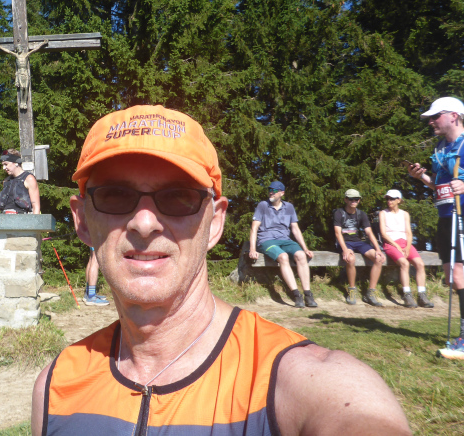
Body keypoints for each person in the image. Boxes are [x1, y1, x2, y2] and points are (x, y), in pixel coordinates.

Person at [32, 105, 410, 435]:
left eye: (178, 196)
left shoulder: (302, 380)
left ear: (215, 224)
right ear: (82, 220)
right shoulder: (55, 386)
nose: (144, 224)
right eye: (115, 195)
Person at [408, 96, 464, 351]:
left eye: (435, 116)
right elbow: (439, 186)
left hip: (462, 215)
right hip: (446, 217)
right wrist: (422, 178)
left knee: (459, 274)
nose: (431, 121)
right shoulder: (440, 148)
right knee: (452, 276)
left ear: (454, 115)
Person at [248, 181, 317, 308]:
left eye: (274, 190)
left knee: (301, 255)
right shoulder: (263, 205)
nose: (271, 192)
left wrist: (305, 248)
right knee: (283, 257)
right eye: (270, 190)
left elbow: (295, 229)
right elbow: (254, 228)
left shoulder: (289, 207)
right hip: (266, 240)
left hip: (285, 240)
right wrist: (252, 249)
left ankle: (308, 294)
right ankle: (297, 295)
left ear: (282, 193)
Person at [378, 189, 433, 309]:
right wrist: (397, 246)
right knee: (404, 263)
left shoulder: (405, 214)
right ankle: (407, 295)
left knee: (420, 264)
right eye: (387, 198)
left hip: (405, 243)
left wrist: (407, 247)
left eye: (392, 198)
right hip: (390, 243)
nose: (389, 201)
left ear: (399, 200)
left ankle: (422, 295)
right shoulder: (383, 213)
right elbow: (383, 234)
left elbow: (408, 232)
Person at [334, 188, 387, 306]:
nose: (354, 201)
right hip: (344, 242)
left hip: (358, 242)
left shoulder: (361, 214)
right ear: (345, 200)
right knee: (350, 259)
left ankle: (371, 292)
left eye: (356, 199)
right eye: (351, 199)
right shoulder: (339, 213)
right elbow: (338, 233)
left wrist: (378, 249)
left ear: (359, 200)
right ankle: (352, 290)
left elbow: (369, 232)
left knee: (378, 258)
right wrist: (345, 249)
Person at [0, 149, 41, 214]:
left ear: (16, 163)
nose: (4, 168)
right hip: (5, 218)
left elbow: (36, 207)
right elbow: (2, 208)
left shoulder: (28, 179)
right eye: (3, 165)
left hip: (22, 218)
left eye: (6, 164)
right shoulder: (6, 181)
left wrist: (35, 220)